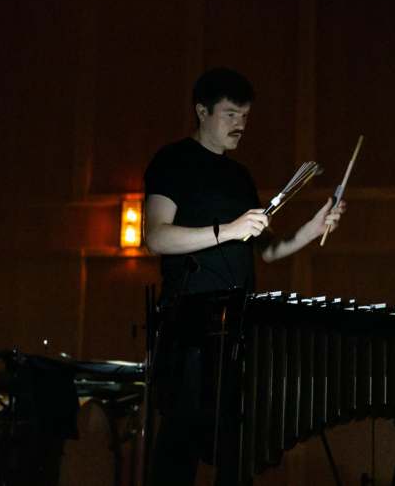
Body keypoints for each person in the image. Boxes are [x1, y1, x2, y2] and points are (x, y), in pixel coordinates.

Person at [143, 67, 346, 485]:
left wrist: (312, 227)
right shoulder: (172, 160)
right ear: (202, 111)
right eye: (231, 114)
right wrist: (229, 230)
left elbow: (268, 252)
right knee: (179, 447)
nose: (241, 125)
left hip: (238, 325)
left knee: (235, 451)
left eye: (245, 116)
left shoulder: (239, 176)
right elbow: (156, 237)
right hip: (190, 324)